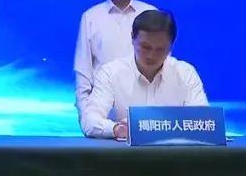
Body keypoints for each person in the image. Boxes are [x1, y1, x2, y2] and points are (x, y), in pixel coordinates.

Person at [80, 10, 208, 140]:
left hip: (175, 151)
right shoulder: (111, 73)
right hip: (124, 152)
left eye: (160, 49)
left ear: (171, 46)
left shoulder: (185, 73)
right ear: (132, 38)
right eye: (145, 47)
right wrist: (116, 129)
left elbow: (204, 122)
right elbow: (89, 121)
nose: (151, 56)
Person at [74, 0, 156, 121]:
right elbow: (83, 73)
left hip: (146, 116)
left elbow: (164, 67)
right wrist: (87, 116)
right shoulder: (91, 17)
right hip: (104, 118)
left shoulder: (151, 14)